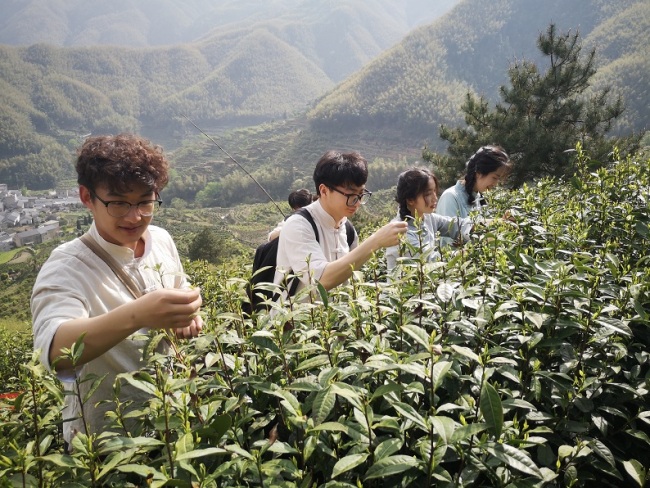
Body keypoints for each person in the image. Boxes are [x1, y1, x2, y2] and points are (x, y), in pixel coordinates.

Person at [31, 133, 203, 446]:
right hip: (107, 441)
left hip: (169, 418)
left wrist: (186, 313)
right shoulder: (67, 266)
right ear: (87, 197)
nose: (134, 216)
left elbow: (179, 285)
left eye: (145, 203)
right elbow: (56, 351)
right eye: (118, 203)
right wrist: (139, 314)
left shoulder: (161, 240)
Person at [275, 150, 407, 296]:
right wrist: (375, 242)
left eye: (361, 194)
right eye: (350, 195)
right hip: (296, 318)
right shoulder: (299, 226)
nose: (357, 202)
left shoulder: (348, 229)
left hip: (334, 318)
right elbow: (321, 280)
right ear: (324, 191)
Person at [385, 167, 472, 271]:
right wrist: (466, 253)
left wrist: (481, 226)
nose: (435, 198)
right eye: (428, 194)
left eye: (435, 191)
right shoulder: (400, 231)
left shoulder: (428, 218)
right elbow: (430, 261)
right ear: (410, 199)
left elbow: (457, 225)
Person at [436, 145, 512, 246]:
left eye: (499, 179)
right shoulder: (450, 197)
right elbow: (449, 243)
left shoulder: (479, 198)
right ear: (479, 173)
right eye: (494, 178)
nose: (496, 184)